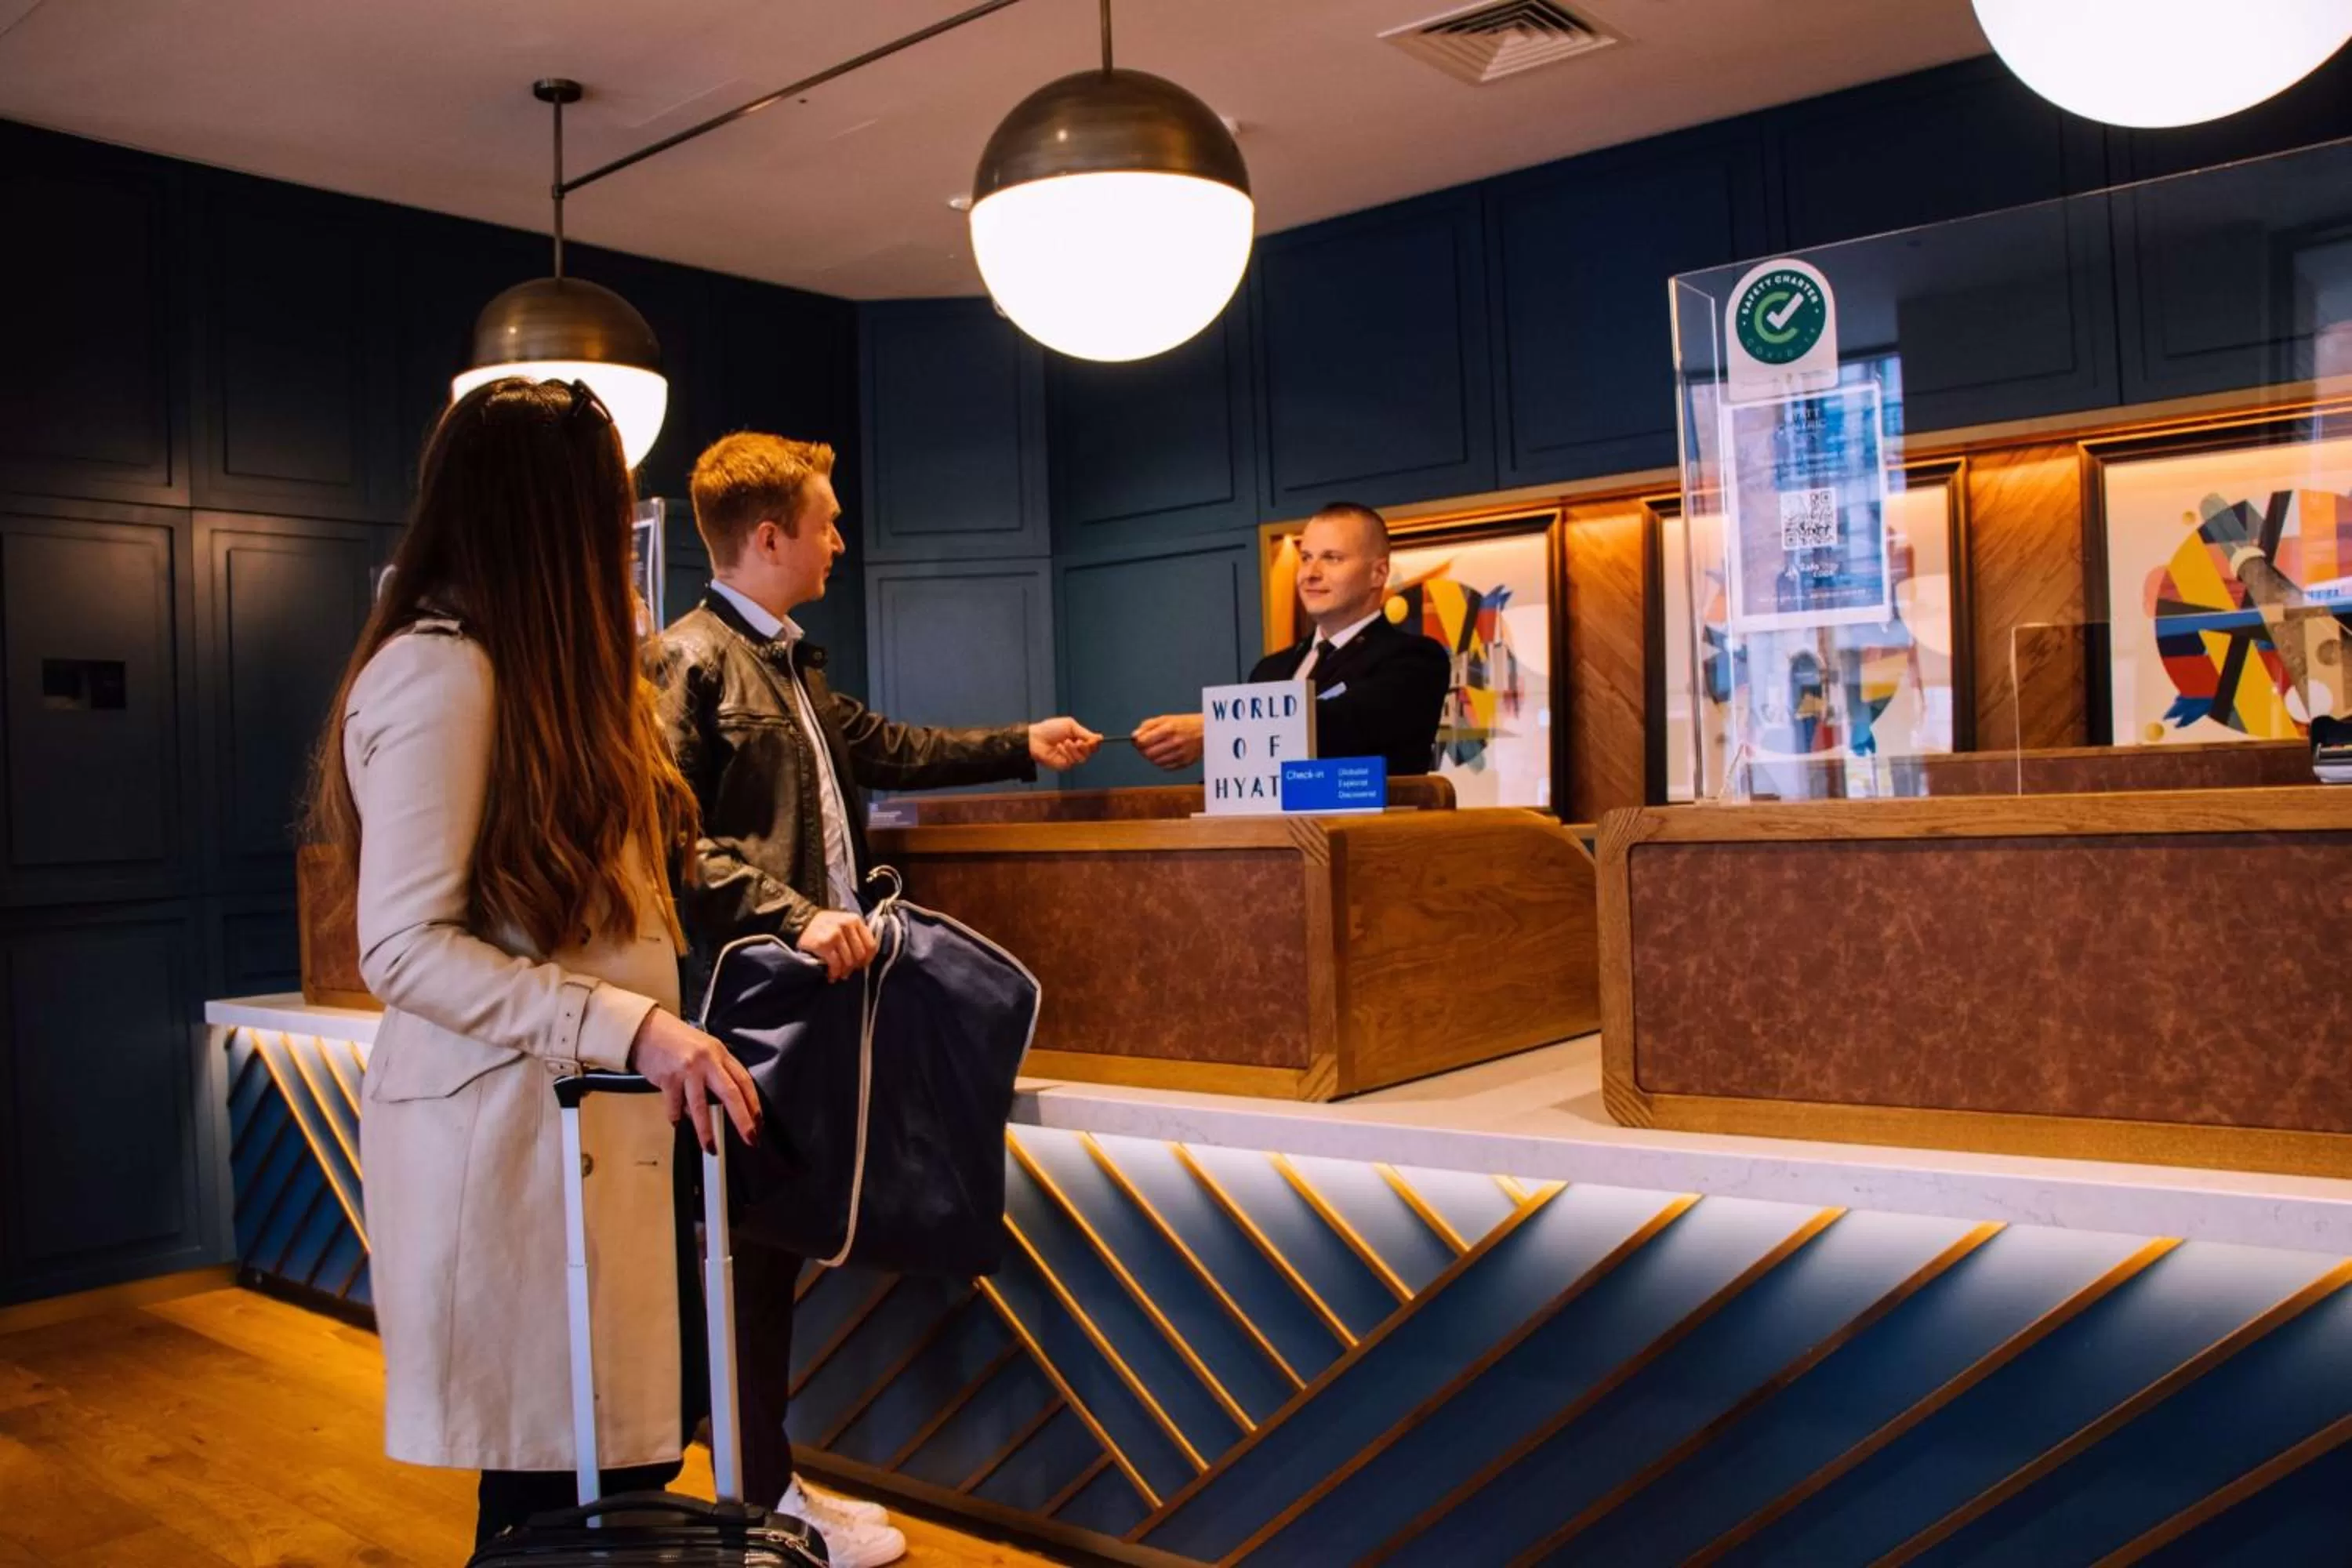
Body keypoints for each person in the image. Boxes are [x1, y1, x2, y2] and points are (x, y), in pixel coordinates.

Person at [307, 378, 764, 1550]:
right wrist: (632, 1026)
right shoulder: (438, 674)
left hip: (598, 1136)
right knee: (550, 1493)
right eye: (605, 516)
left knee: (623, 1462)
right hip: (519, 1147)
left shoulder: (545, 671)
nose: (622, 541)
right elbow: (403, 947)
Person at [654, 431, 1098, 1568]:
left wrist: (1018, 744)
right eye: (827, 520)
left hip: (817, 1001)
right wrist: (792, 913)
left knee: (776, 1246)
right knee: (751, 1254)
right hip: (743, 1005)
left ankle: (768, 1486)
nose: (840, 538)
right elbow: (665, 840)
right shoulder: (686, 662)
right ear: (769, 538)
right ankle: (754, 1509)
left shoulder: (794, 662)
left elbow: (888, 747)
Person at [1134, 501, 1449, 776]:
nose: (1310, 573)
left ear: (1378, 574)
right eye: (1306, 557)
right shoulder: (1270, 670)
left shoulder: (1415, 660)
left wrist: (1216, 729)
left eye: (1332, 558)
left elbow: (1345, 724)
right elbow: (1244, 776)